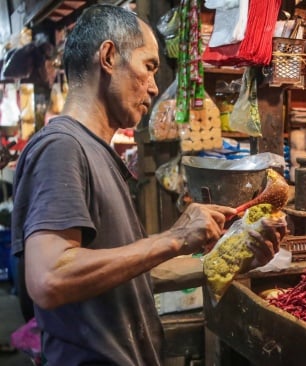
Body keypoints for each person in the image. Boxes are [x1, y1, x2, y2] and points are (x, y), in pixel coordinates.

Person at [10, 4, 284, 365]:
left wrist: (227, 258)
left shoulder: (93, 151)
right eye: (149, 66)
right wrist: (173, 238)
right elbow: (49, 279)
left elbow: (123, 270)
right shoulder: (62, 148)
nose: (155, 87)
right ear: (108, 57)